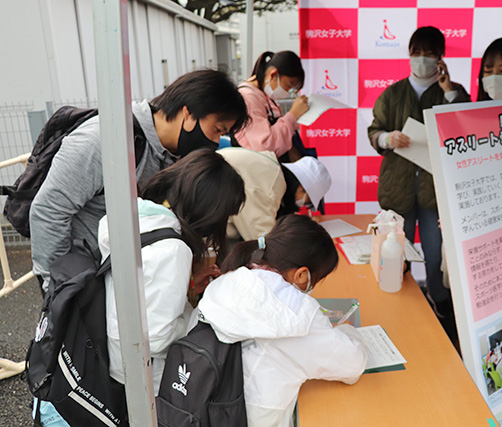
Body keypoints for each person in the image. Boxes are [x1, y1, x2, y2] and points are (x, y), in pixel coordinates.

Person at [34, 150, 246, 425]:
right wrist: (199, 313)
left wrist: (188, 286)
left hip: (88, 367)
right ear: (209, 209)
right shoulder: (173, 249)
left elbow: (143, 292)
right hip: (129, 380)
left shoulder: (135, 219)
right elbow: (156, 338)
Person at [30, 69, 249, 292]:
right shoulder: (104, 141)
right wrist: (57, 289)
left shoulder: (173, 154)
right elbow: (48, 211)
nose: (214, 142)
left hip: (122, 282)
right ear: (189, 114)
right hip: (82, 282)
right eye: (217, 130)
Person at [194, 214, 367, 427]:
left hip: (207, 410)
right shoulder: (296, 315)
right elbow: (352, 364)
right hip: (257, 418)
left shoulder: (230, 278)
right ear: (302, 275)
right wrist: (347, 330)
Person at [367, 26, 470, 343]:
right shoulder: (393, 93)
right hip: (398, 189)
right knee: (394, 251)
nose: (422, 58)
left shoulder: (452, 91)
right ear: (409, 52)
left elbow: (464, 124)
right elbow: (374, 131)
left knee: (438, 254)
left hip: (434, 193)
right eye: (417, 51)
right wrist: (387, 137)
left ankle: (441, 305)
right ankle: (399, 307)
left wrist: (450, 89)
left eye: (429, 52)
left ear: (441, 57)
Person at [218, 147, 331, 241]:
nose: (301, 206)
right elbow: (262, 240)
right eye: (307, 202)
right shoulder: (270, 186)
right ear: (302, 188)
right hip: (206, 231)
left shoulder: (271, 168)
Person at [234, 51, 310, 160]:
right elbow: (265, 145)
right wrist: (293, 115)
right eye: (288, 86)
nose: (287, 92)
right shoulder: (248, 97)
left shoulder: (265, 95)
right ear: (273, 74)